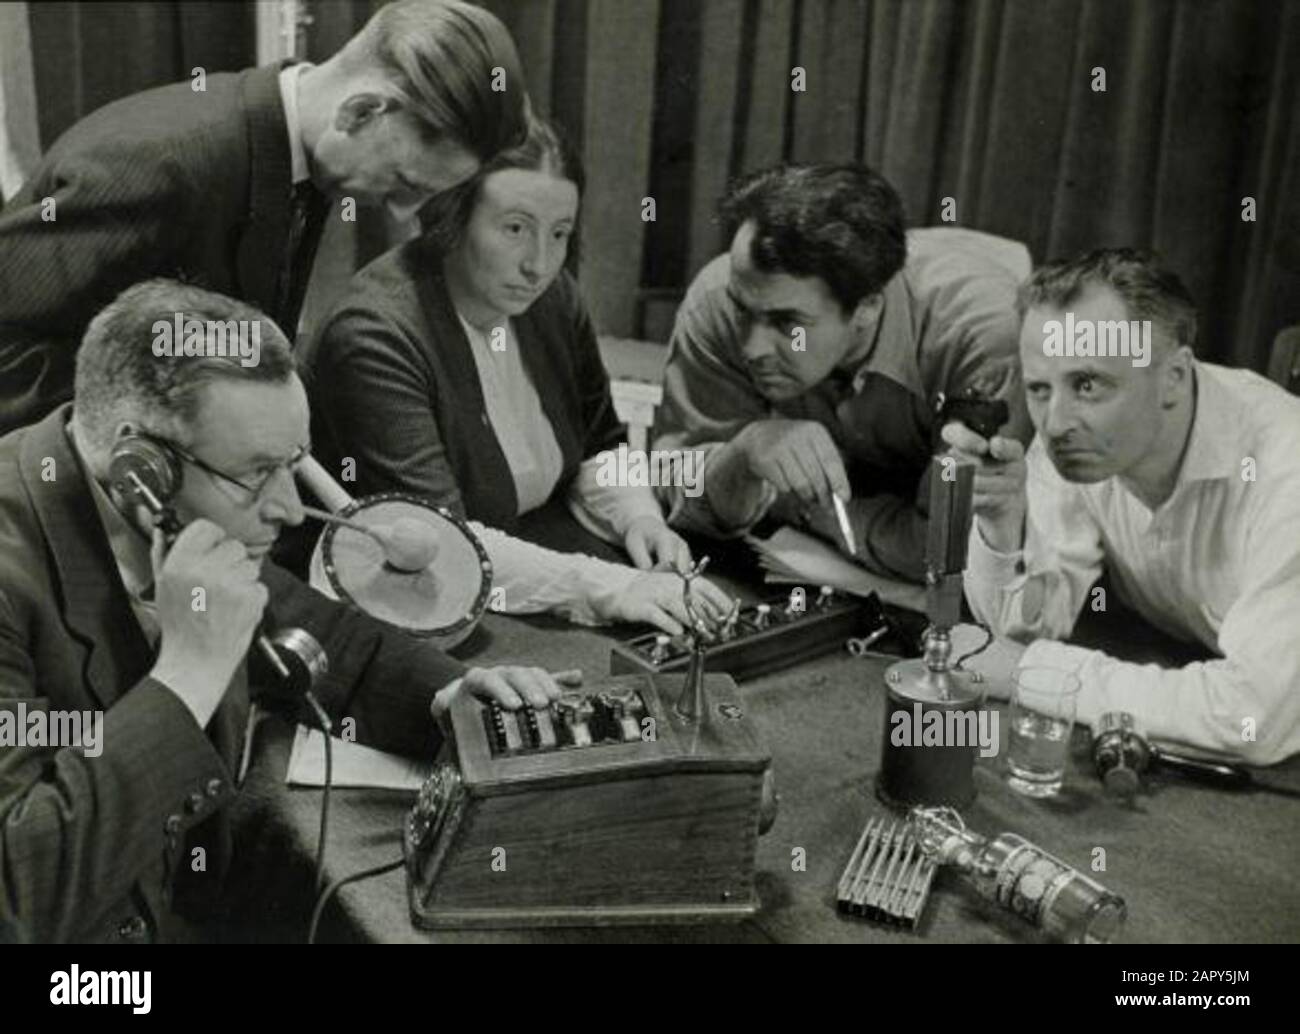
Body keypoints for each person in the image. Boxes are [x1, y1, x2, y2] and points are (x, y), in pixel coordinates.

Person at [0, 279, 570, 943]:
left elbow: (321, 633)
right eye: (257, 472)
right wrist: (186, 677)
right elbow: (18, 896)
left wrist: (447, 696)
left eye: (293, 464)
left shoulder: (179, 518)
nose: (290, 508)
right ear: (140, 462)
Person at [0, 0, 528, 436]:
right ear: (361, 112)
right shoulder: (156, 165)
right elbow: (9, 353)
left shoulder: (305, 160)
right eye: (405, 182)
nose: (401, 210)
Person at [302, 118, 730, 635]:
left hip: (538, 562)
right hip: (412, 606)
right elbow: (444, 544)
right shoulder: (375, 336)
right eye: (514, 229)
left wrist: (639, 517)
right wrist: (617, 588)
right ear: (451, 217)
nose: (540, 264)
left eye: (559, 234)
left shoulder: (551, 296)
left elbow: (599, 446)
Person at [948, 248, 1300, 765]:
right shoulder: (1075, 442)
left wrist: (1032, 674)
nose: (1056, 422)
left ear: (1173, 378)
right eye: (1040, 389)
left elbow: (1253, 718)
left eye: (1088, 384)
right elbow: (1025, 629)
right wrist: (1001, 528)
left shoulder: (1285, 468)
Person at [653, 163, 1034, 583]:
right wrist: (741, 457)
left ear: (868, 306)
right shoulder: (718, 298)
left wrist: (798, 503)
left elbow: (944, 550)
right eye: (743, 312)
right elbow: (670, 486)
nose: (750, 347)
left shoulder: (986, 337)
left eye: (787, 324)